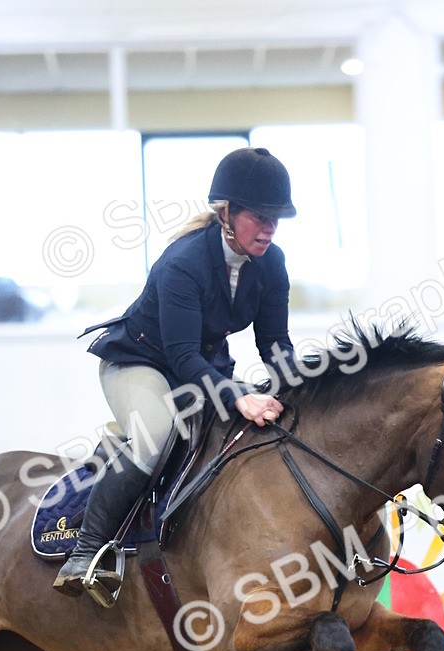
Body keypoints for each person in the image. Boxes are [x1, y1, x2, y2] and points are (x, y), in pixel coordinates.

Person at [53, 145, 298, 599]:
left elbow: (274, 343)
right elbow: (183, 357)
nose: (269, 229)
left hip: (200, 370)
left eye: (275, 219)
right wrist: (238, 395)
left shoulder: (272, 263)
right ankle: (86, 552)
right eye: (259, 217)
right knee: (155, 435)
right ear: (226, 213)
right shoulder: (183, 263)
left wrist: (303, 388)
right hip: (140, 363)